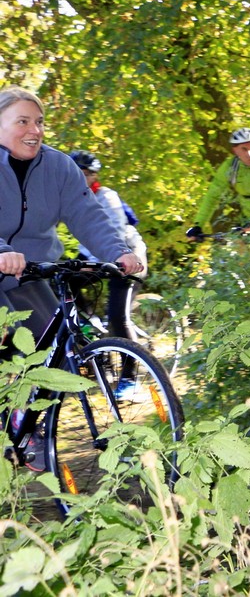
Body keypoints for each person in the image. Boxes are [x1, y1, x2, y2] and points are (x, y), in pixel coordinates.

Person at [0, 86, 145, 469]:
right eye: (23, 121)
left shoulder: (58, 166)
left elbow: (88, 215)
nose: (35, 130)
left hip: (29, 272)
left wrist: (119, 252)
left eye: (40, 122)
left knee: (53, 348)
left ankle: (27, 425)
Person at [69, 150, 148, 345]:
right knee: (65, 281)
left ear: (95, 176)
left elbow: (115, 234)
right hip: (96, 258)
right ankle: (89, 324)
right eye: (78, 173)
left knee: (117, 319)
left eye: (88, 174)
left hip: (127, 257)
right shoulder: (70, 200)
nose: (83, 178)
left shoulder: (107, 197)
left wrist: (90, 263)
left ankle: (130, 372)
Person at [188, 127, 250, 239]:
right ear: (235, 151)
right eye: (244, 149)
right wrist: (198, 225)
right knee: (238, 249)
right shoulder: (230, 167)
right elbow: (212, 196)